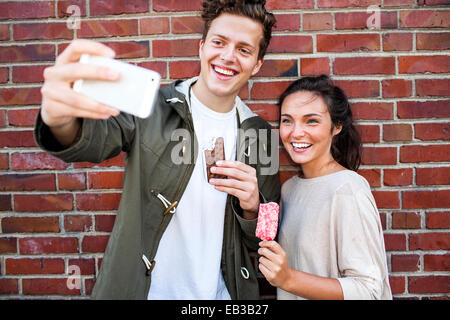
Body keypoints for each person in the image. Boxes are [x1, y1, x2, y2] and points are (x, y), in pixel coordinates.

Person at [34, 0, 280, 300]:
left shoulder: (260, 134)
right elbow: (93, 141)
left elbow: (268, 236)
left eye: (244, 49)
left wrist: (253, 207)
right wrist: (59, 120)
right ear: (202, 47)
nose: (228, 56)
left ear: (257, 64)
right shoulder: (152, 108)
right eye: (219, 42)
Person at [258, 75, 392, 300]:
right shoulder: (290, 189)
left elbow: (369, 291)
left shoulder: (348, 189)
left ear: (336, 126)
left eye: (311, 121)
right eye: (287, 120)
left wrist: (289, 279)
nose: (296, 132)